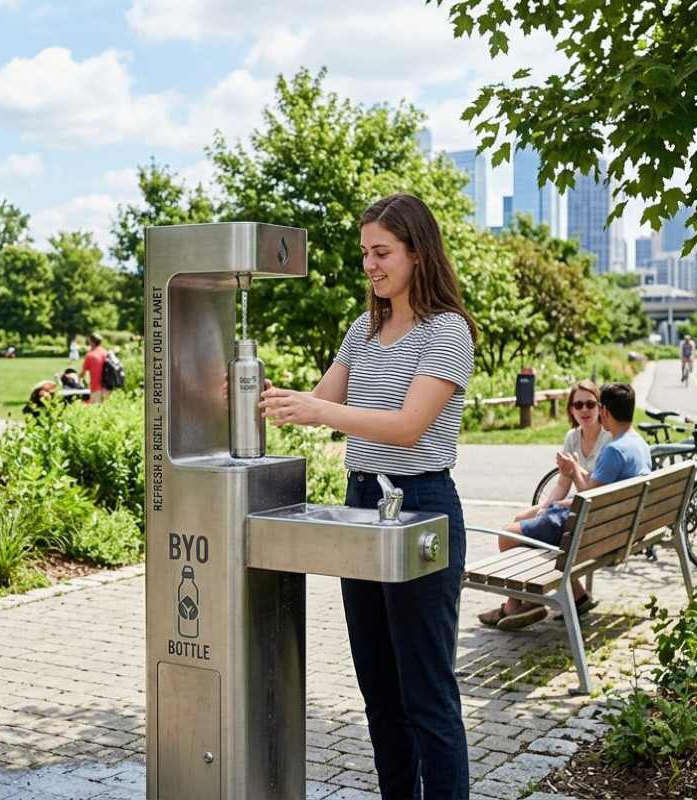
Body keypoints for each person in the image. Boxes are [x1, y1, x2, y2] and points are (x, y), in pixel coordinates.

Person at [258, 193, 476, 799]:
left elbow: (409, 426)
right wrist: (264, 393)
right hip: (362, 510)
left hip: (422, 507)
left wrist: (322, 408)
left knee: (426, 695)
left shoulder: (448, 331)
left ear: (417, 252)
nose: (370, 266)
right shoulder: (365, 328)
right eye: (364, 253)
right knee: (380, 694)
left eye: (382, 252)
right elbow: (317, 403)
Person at [477, 382, 652, 630]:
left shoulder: (613, 450)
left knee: (507, 536)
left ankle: (528, 602)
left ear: (606, 411)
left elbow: (588, 497)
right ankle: (569, 597)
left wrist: (573, 471)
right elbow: (597, 493)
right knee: (524, 523)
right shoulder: (639, 444)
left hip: (585, 527)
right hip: (610, 528)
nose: (590, 410)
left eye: (595, 405)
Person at [512, 380, 611, 524]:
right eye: (578, 405)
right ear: (571, 410)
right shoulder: (572, 437)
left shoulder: (609, 439)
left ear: (599, 407)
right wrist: (545, 507)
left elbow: (599, 489)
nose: (584, 410)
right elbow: (563, 485)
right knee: (519, 519)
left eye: (590, 404)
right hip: (577, 506)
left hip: (593, 512)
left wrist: (574, 472)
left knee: (520, 529)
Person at [81, 333, 110, 405]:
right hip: (108, 387)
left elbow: (83, 373)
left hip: (96, 388)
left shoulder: (90, 355)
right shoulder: (106, 353)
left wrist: (78, 378)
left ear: (91, 342)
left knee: (96, 410)